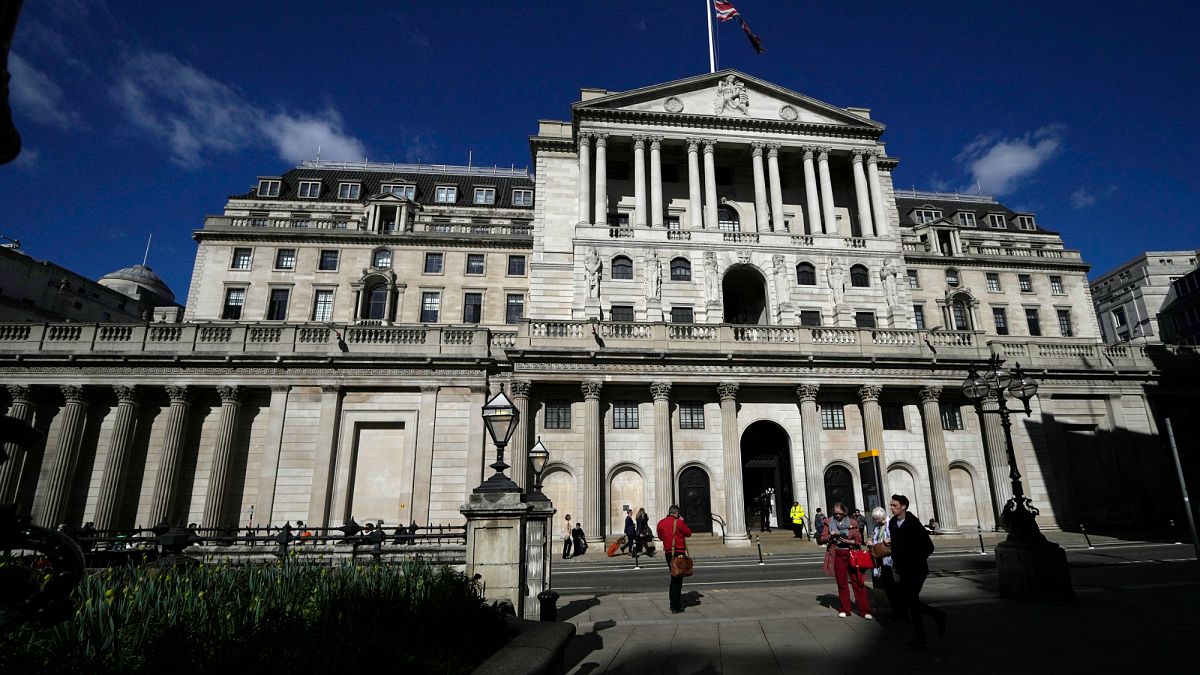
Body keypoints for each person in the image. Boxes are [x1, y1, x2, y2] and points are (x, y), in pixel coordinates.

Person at [889, 494, 946, 648]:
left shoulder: (913, 523)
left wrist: (914, 561)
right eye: (891, 505)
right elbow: (896, 546)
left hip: (916, 570)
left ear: (903, 507)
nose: (892, 508)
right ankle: (933, 620)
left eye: (894, 505)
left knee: (910, 601)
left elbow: (929, 547)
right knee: (910, 602)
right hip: (902, 569)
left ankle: (923, 634)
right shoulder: (893, 523)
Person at [821, 502, 872, 619]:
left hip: (852, 554)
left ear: (845, 512)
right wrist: (830, 536)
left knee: (858, 582)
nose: (838, 515)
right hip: (837, 553)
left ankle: (864, 610)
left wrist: (848, 541)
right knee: (842, 582)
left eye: (840, 513)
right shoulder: (828, 522)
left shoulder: (853, 522)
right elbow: (823, 538)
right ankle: (845, 609)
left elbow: (859, 540)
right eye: (836, 513)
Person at [656, 505, 693, 614]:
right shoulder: (679, 523)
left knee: (674, 576)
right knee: (677, 580)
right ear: (677, 513)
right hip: (679, 553)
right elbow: (689, 533)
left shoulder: (661, 523)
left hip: (668, 553)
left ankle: (673, 603)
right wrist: (682, 522)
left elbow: (661, 537)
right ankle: (675, 606)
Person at [868, 506, 903, 619]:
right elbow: (874, 537)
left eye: (876, 519)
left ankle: (900, 612)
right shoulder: (878, 527)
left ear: (881, 517)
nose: (875, 521)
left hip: (891, 561)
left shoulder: (891, 524)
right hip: (881, 560)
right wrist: (869, 540)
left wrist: (889, 540)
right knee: (888, 587)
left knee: (895, 587)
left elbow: (899, 538)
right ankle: (895, 610)